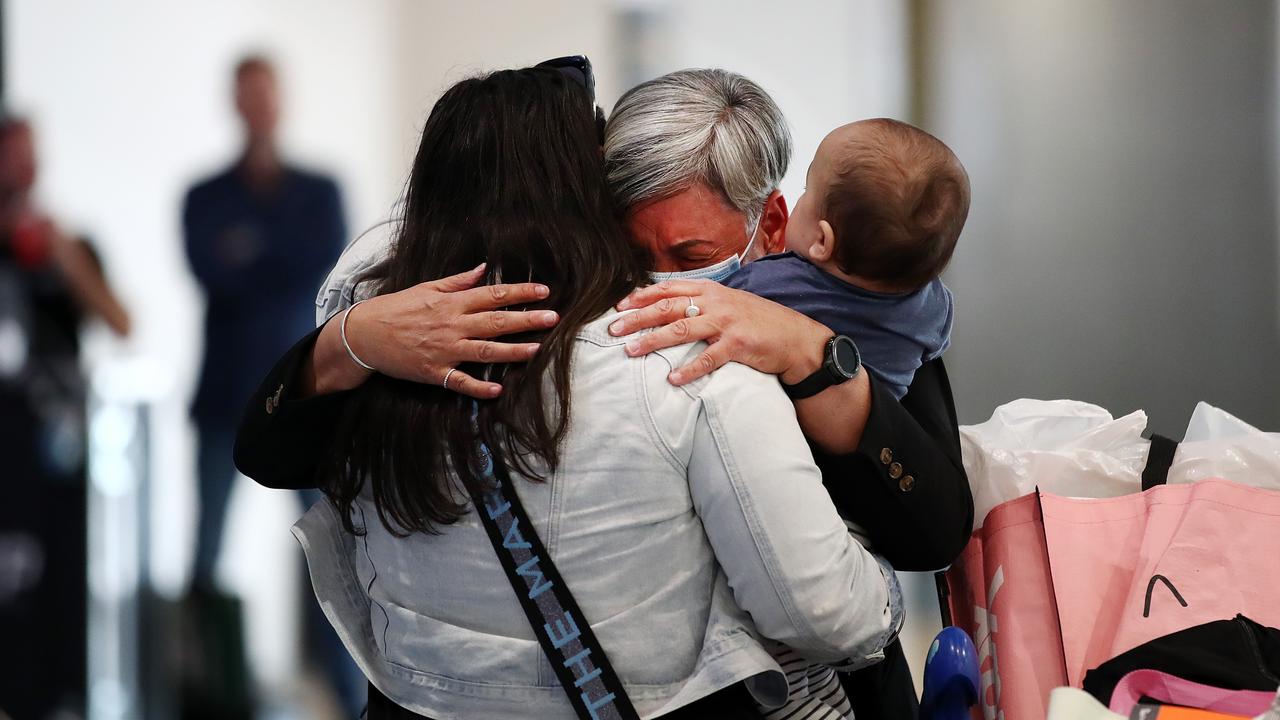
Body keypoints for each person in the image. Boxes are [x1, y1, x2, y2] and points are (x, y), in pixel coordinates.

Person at [237, 67, 973, 719]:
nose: (654, 285)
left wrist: (815, 356)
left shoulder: (869, 308)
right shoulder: (634, 353)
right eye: (631, 252)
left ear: (773, 224)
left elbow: (934, 524)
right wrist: (353, 336)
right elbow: (270, 449)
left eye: (690, 257)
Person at [181, 55, 355, 713]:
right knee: (203, 556)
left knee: (331, 557)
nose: (256, 105)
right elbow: (214, 271)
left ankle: (347, 696)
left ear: (280, 101)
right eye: (245, 94)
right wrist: (272, 258)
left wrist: (249, 250)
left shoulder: (320, 190)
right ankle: (202, 694)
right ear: (235, 102)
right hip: (223, 400)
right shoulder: (204, 196)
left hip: (300, 400)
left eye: (264, 93)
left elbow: (320, 270)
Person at [0, 115, 130, 719]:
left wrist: (65, 261)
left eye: (29, 156)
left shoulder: (67, 243)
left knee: (63, 577)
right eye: (10, 157)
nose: (21, 170)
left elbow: (123, 322)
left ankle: (62, 698)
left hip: (58, 444)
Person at [727, 118, 967, 402]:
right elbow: (933, 350)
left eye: (806, 192)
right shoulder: (935, 306)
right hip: (878, 426)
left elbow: (710, 307)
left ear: (822, 241)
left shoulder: (771, 285)